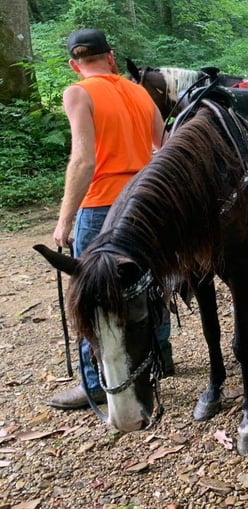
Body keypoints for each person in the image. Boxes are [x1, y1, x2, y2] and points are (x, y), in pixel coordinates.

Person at [48, 28, 174, 410]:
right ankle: (160, 356)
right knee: (150, 283)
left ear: (75, 64)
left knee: (94, 297)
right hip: (144, 204)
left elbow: (84, 160)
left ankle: (95, 384)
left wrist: (64, 220)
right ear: (111, 57)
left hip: (101, 205)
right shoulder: (138, 92)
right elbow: (164, 148)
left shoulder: (78, 93)